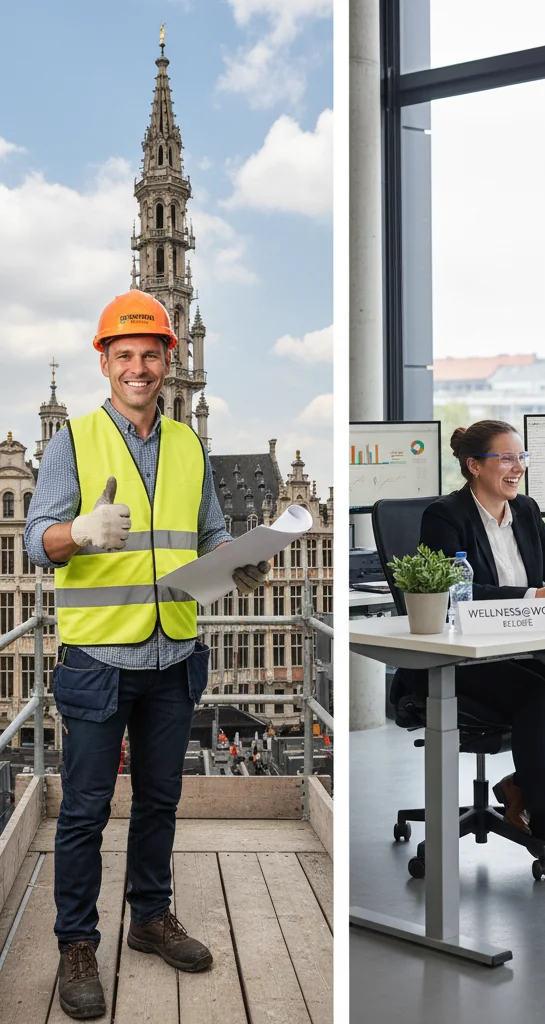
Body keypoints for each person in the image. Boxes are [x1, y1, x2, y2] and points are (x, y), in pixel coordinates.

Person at [26, 291, 272, 1020]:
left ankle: (150, 917)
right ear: (105, 363)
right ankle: (77, 944)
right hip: (100, 661)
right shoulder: (72, 441)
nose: (140, 367)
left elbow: (210, 536)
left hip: (174, 657)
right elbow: (38, 539)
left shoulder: (191, 445)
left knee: (161, 801)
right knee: (86, 812)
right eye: (125, 355)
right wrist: (79, 530)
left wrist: (240, 561)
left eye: (152, 354)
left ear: (171, 360)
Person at [405, 419, 545, 881]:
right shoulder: (445, 517)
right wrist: (533, 596)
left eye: (521, 457)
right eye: (506, 458)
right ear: (473, 466)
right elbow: (454, 592)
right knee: (535, 696)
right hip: (461, 656)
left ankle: (521, 788)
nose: (517, 467)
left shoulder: (524, 510)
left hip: (517, 649)